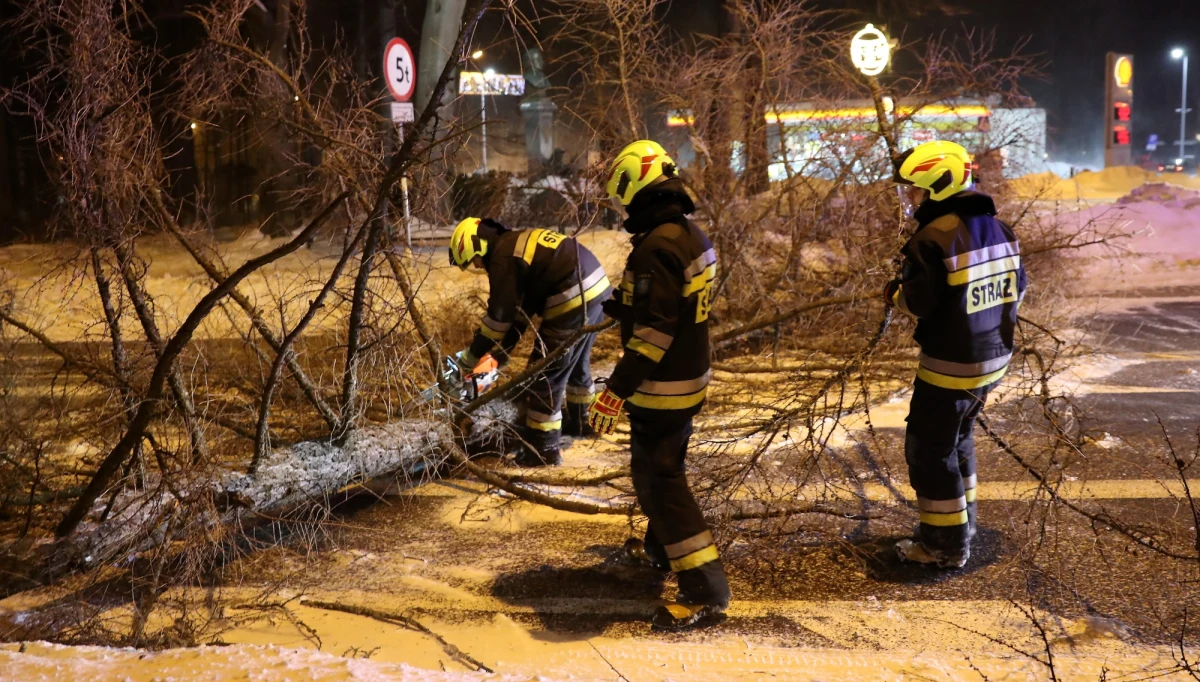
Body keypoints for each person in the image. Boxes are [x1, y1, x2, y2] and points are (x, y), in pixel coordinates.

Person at [588, 140, 731, 630]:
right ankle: (659, 549)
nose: (625, 210)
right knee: (658, 473)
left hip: (663, 385)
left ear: (639, 191)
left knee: (662, 483)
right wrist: (624, 306)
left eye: (625, 200)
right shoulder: (690, 235)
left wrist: (614, 391)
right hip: (689, 376)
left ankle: (704, 589)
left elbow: (654, 333)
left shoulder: (657, 246)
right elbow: (675, 305)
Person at [885, 140, 1028, 568]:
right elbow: (1016, 291)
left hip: (950, 365)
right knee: (957, 438)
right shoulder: (1000, 230)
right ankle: (961, 524)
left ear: (937, 187)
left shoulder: (933, 238)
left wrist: (894, 293)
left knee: (928, 450)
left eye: (914, 189)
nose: (910, 198)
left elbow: (919, 303)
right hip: (993, 359)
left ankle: (942, 546)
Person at [449, 217, 611, 467]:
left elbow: (499, 319)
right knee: (576, 364)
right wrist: (501, 355)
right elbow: (520, 314)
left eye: (473, 261)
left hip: (572, 293)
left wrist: (472, 356)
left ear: (477, 246)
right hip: (597, 289)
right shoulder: (514, 244)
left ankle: (543, 448)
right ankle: (581, 423)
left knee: (544, 373)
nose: (478, 267)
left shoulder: (502, 258)